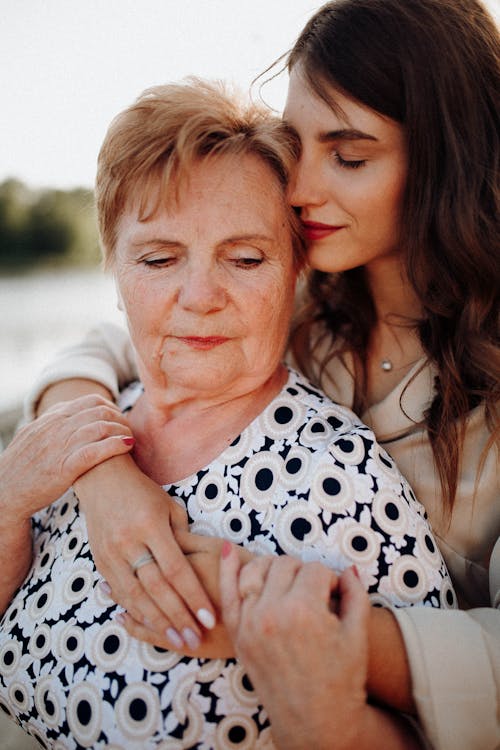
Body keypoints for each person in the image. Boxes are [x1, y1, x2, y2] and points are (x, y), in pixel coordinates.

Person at [19, 0, 500, 747]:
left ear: (450, 157)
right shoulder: (304, 299)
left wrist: (278, 623)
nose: (298, 186)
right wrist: (103, 475)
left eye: (348, 155)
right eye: (295, 141)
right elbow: (115, 343)